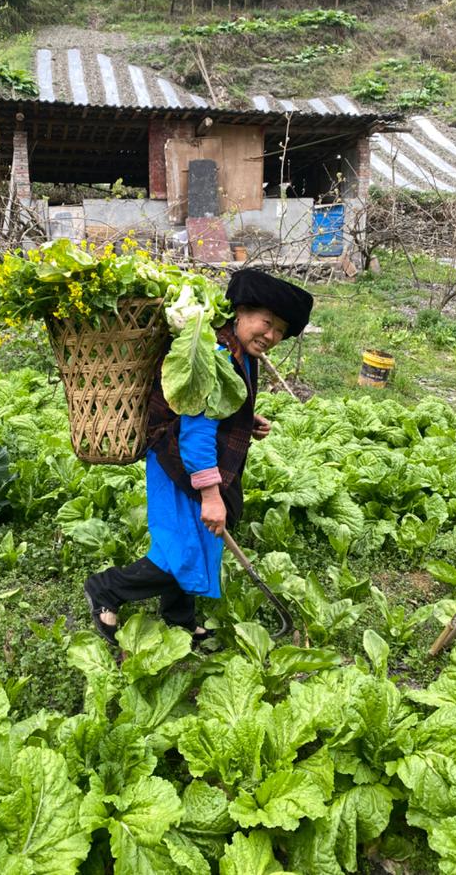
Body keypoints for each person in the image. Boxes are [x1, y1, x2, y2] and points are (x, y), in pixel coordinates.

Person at [83, 268, 313, 646]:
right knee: (180, 550)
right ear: (241, 311)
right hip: (181, 463)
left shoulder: (241, 351)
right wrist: (210, 496)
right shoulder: (215, 353)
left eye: (280, 332)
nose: (271, 336)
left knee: (198, 543)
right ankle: (107, 588)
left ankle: (179, 618)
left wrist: (243, 419)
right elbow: (196, 432)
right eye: (266, 323)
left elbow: (215, 407)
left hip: (199, 460)